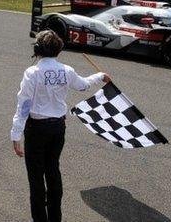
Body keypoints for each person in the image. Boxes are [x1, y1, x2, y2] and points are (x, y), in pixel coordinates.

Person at [11, 30, 110, 222]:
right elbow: (83, 85)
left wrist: (16, 134)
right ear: (58, 50)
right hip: (58, 128)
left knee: (36, 178)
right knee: (53, 169)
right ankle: (56, 218)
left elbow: (24, 105)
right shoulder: (67, 70)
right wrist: (100, 76)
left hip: (37, 129)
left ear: (37, 49)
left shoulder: (32, 72)